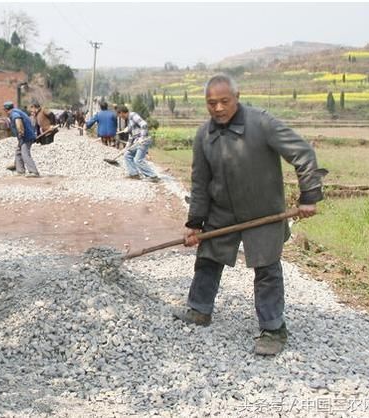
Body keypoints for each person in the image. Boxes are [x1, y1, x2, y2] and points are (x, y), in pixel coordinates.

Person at [181, 74, 327, 356]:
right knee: (208, 258)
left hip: (264, 212)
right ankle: (199, 310)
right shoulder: (204, 135)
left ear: (237, 96)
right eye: (212, 103)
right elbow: (200, 182)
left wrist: (309, 195)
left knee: (267, 269)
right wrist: (194, 223)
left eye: (224, 101)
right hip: (222, 212)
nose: (219, 108)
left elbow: (303, 153)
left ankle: (273, 328)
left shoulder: (261, 123)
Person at [117, 105, 159, 182]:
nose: (120, 118)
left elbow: (144, 124)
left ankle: (153, 176)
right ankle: (134, 174)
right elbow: (131, 136)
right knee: (127, 154)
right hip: (137, 141)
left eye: (120, 115)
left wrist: (142, 137)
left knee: (138, 160)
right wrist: (126, 148)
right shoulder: (129, 121)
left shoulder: (133, 115)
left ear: (122, 113)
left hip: (144, 141)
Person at [4, 101, 40, 177]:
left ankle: (34, 172)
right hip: (24, 137)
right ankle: (20, 171)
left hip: (26, 137)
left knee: (25, 153)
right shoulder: (17, 111)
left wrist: (20, 131)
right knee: (18, 152)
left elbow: (18, 120)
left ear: (6, 110)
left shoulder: (14, 114)